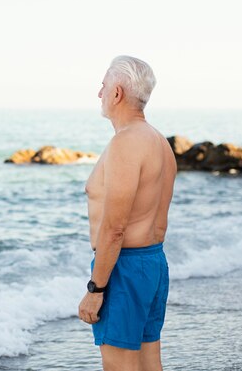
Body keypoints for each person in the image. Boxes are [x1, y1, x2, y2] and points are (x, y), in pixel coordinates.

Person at [79, 55, 177, 371]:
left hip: (124, 268)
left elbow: (115, 228)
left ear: (118, 93)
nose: (99, 94)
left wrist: (96, 289)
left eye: (103, 86)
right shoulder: (160, 143)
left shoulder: (126, 143)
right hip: (153, 263)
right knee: (149, 365)